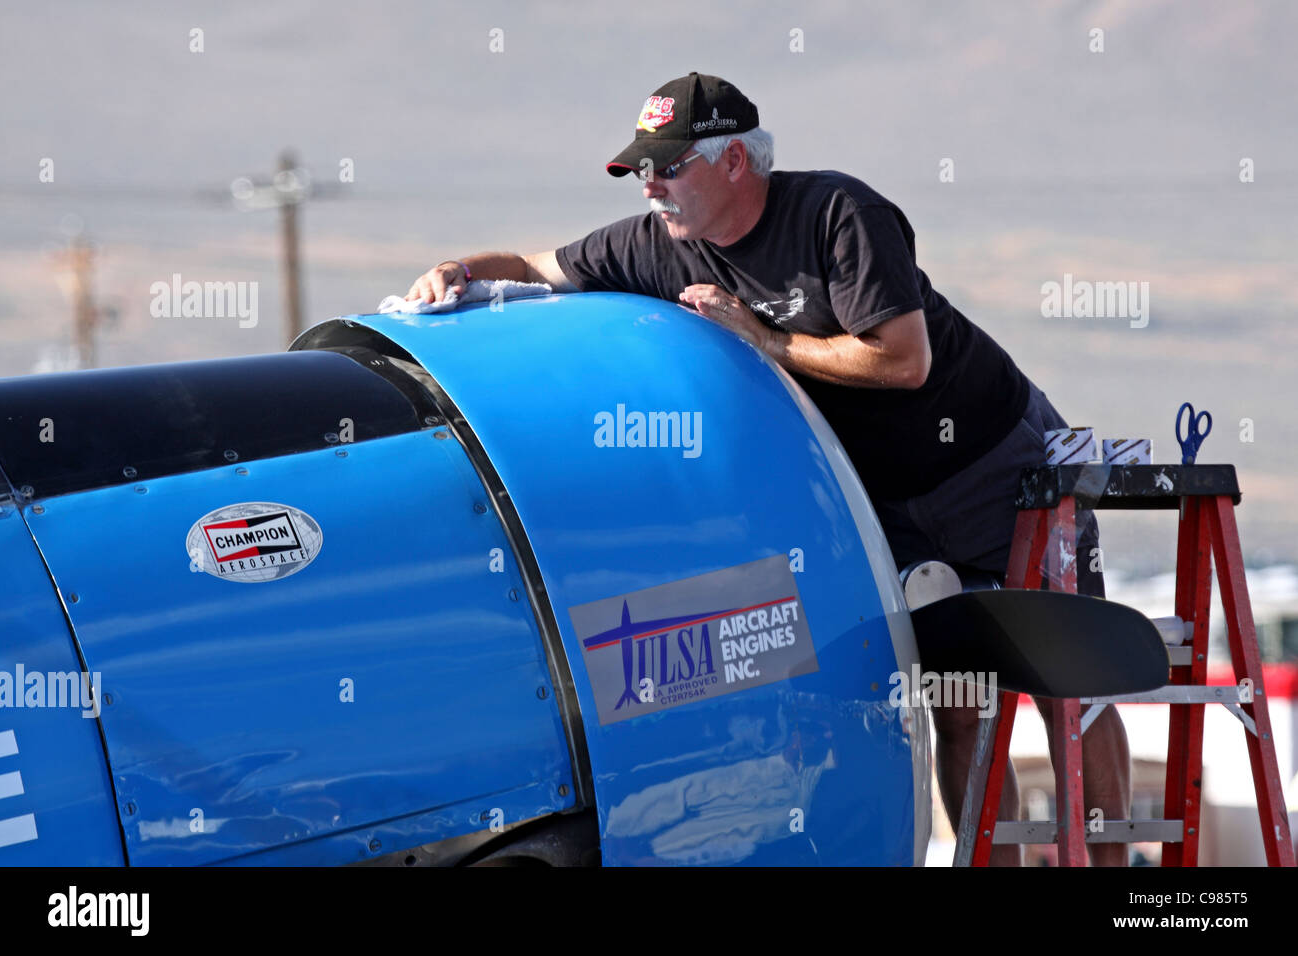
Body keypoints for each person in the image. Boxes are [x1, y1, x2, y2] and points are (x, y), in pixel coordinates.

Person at [406, 71, 1131, 866]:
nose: (651, 185)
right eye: (640, 170)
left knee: (1071, 686)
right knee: (955, 700)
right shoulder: (657, 240)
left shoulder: (837, 214)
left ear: (734, 163)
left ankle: (1108, 862)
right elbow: (538, 265)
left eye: (668, 166)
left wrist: (764, 339)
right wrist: (458, 270)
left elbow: (904, 361)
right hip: (880, 501)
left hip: (995, 463)